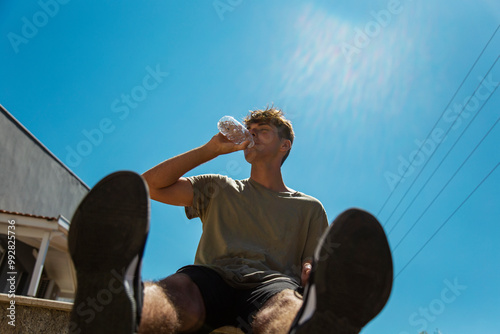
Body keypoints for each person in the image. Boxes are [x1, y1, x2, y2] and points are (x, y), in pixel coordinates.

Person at [68, 106, 393, 334]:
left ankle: (312, 327)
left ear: (285, 145)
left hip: (271, 282)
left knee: (282, 306)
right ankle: (125, 308)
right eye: (249, 131)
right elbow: (149, 185)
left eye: (261, 132)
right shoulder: (220, 187)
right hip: (213, 275)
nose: (251, 136)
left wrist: (314, 273)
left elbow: (310, 263)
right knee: (179, 293)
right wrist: (211, 149)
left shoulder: (309, 208)